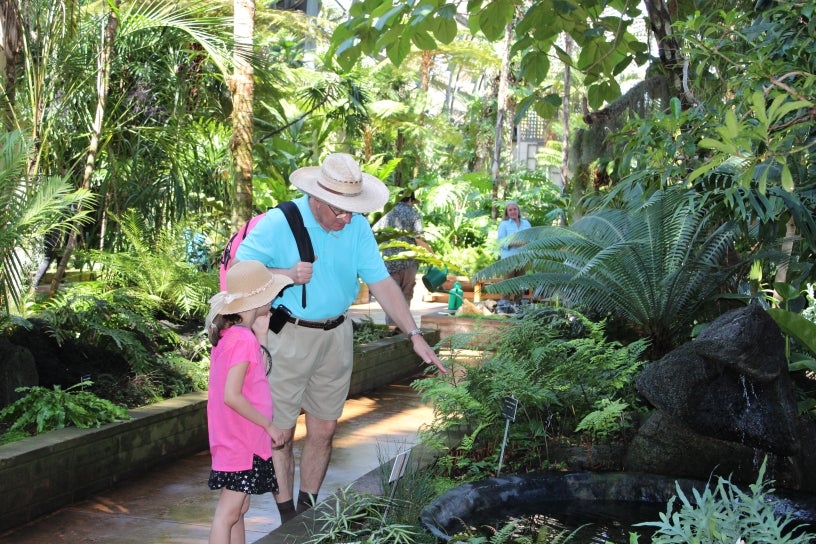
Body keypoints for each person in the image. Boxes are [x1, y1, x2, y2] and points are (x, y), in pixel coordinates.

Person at [233, 152, 447, 524]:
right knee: (280, 433)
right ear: (316, 197)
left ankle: (307, 511)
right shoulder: (279, 222)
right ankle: (287, 520)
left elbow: (381, 282)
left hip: (336, 336)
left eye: (352, 210)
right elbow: (240, 272)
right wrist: (285, 273)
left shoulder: (357, 226)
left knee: (325, 428)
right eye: (339, 211)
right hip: (288, 336)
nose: (346, 218)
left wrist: (413, 333)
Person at [204, 260, 293, 544]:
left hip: (236, 439)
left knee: (240, 508)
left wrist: (262, 334)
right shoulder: (242, 340)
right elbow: (232, 395)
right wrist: (268, 425)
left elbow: (252, 379)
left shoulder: (234, 335)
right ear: (260, 299)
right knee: (228, 512)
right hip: (241, 441)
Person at [373, 191, 430, 329]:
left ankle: (391, 327)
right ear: (410, 200)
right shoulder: (414, 214)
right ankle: (403, 328)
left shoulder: (387, 213)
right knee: (405, 295)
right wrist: (431, 254)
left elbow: (374, 232)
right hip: (408, 263)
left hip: (389, 262)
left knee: (392, 297)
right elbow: (419, 238)